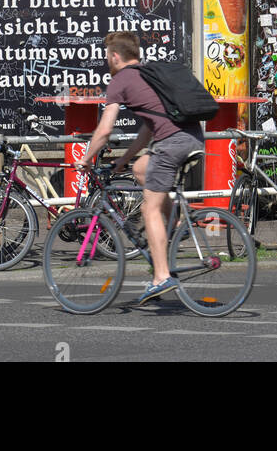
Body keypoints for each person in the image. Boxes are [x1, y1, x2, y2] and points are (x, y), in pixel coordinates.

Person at [77, 31, 204, 304]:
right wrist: (124, 161)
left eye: (106, 57)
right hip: (192, 137)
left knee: (149, 208)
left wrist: (86, 158)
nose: (106, 61)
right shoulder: (149, 74)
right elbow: (148, 129)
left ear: (115, 56)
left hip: (171, 144)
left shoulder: (120, 80)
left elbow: (104, 130)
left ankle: (161, 277)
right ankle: (176, 222)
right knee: (141, 169)